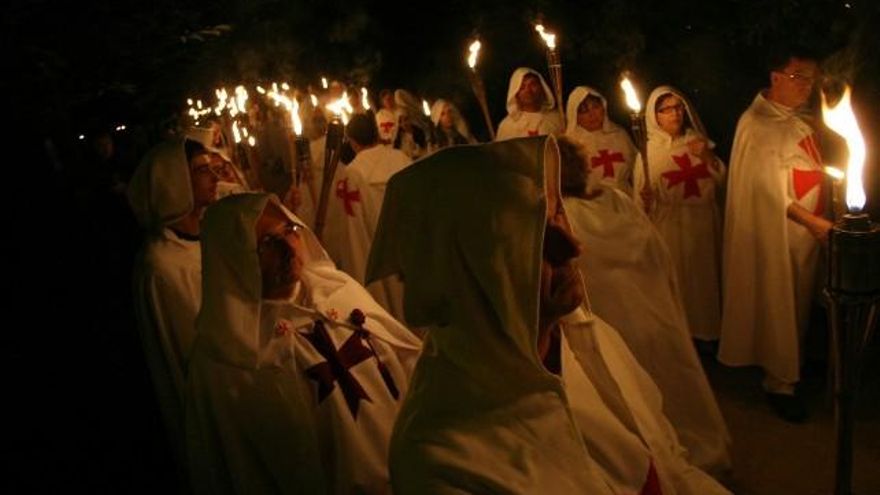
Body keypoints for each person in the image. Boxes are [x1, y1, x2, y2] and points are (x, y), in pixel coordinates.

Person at [367, 135, 729, 494]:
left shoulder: (587, 339)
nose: (573, 245)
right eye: (534, 236)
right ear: (468, 272)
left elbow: (670, 465)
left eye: (558, 214)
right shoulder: (444, 462)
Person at [186, 193, 422, 494]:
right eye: (268, 243)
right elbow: (234, 467)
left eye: (289, 231)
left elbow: (408, 369)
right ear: (234, 260)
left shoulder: (341, 292)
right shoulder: (226, 358)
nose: (288, 248)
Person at [557, 136, 731, 475]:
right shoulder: (617, 199)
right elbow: (657, 253)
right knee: (668, 379)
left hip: (614, 325)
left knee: (634, 397)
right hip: (652, 313)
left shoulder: (566, 218)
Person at [718, 48, 829, 422]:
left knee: (797, 305)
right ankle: (779, 382)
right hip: (778, 235)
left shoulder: (793, 119)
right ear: (776, 76)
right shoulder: (757, 124)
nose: (807, 88)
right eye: (800, 78)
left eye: (812, 80)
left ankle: (793, 362)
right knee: (779, 304)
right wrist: (813, 223)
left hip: (804, 238)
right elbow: (769, 195)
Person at [128, 138, 218, 475]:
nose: (213, 176)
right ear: (174, 181)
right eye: (200, 170)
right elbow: (187, 348)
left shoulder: (207, 237)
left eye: (211, 167)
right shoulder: (161, 265)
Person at [634, 86, 726, 344]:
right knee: (677, 283)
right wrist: (645, 200)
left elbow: (722, 181)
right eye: (666, 109)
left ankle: (707, 334)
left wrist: (707, 156)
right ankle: (678, 337)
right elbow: (640, 201)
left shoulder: (698, 142)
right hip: (669, 225)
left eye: (678, 107)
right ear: (655, 116)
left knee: (704, 282)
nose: (674, 114)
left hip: (703, 222)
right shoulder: (648, 153)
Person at [323, 113, 411, 322]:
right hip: (410, 244)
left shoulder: (353, 174)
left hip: (378, 250)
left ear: (351, 141)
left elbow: (349, 233)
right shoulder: (401, 158)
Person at [565, 86, 637, 194]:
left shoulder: (619, 133)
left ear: (603, 107)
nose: (592, 114)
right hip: (592, 203)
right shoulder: (570, 143)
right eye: (584, 110)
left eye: (595, 106)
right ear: (575, 115)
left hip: (624, 199)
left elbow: (636, 169)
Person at [495, 67, 563, 140]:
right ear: (515, 93)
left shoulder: (558, 119)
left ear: (542, 88)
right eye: (522, 87)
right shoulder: (507, 126)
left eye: (533, 85)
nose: (528, 90)